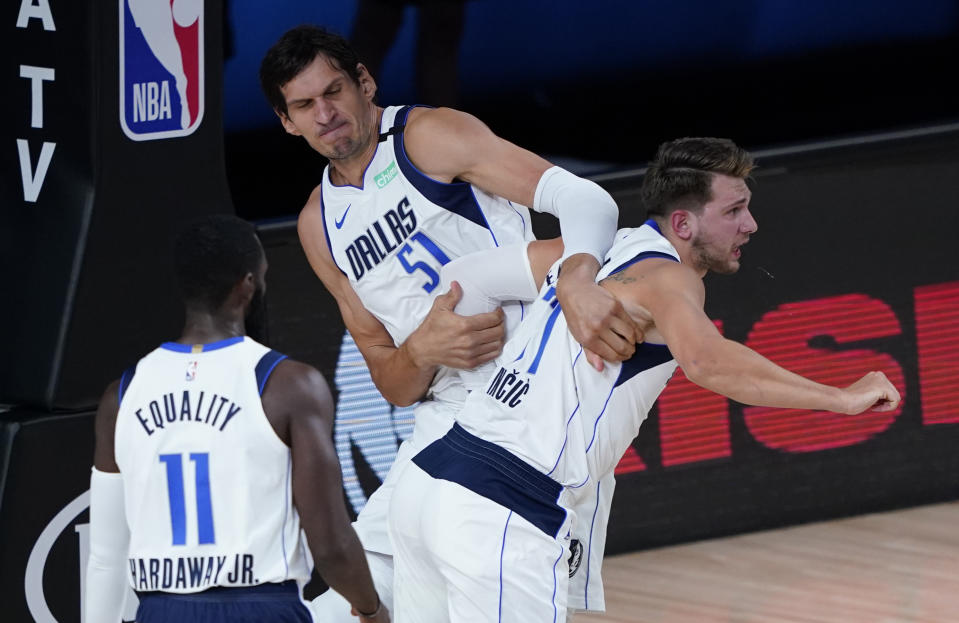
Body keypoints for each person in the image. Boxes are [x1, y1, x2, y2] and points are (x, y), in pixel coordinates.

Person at [387, 137, 902, 622]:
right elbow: (708, 362)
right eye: (733, 211)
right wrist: (837, 397)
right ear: (682, 223)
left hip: (429, 481)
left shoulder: (589, 254)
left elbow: (464, 279)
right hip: (499, 505)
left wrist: (496, 378)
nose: (751, 225)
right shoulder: (667, 277)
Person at [258, 24, 635, 619]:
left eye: (334, 91)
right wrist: (423, 350)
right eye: (304, 105)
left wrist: (579, 278)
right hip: (446, 416)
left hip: (530, 395)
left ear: (364, 82)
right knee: (347, 599)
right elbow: (391, 380)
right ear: (287, 121)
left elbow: (587, 202)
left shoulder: (428, 136)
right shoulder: (318, 224)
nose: (325, 113)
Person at [84, 215, 389, 622]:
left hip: (162, 609)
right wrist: (370, 608)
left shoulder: (120, 397)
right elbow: (331, 545)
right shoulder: (289, 385)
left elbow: (106, 557)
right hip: (261, 605)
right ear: (248, 284)